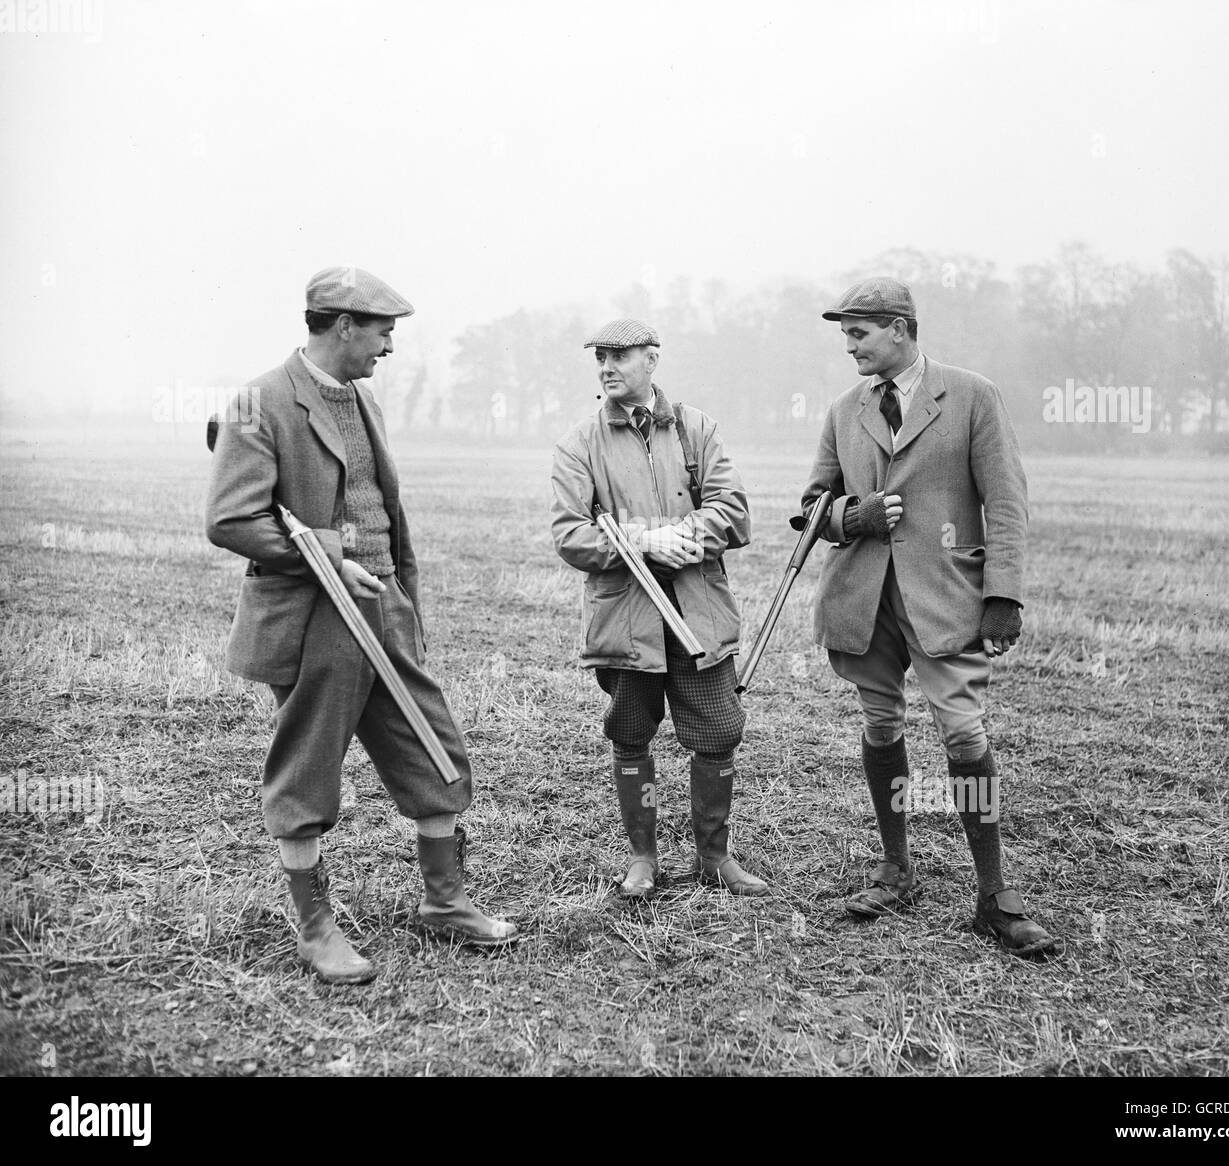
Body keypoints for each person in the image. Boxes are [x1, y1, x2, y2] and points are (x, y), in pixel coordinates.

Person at [206, 266, 517, 985]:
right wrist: (325, 555)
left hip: (386, 612)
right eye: (383, 332)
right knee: (307, 774)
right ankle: (315, 927)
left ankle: (445, 902)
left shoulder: (363, 400)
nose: (390, 348)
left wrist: (401, 598)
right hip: (317, 617)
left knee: (435, 750)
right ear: (344, 325)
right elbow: (230, 520)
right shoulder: (260, 403)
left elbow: (381, 506)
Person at [801, 277, 1056, 957]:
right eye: (845, 333)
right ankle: (896, 871)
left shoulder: (972, 395)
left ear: (899, 328)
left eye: (858, 331)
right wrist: (849, 516)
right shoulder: (842, 409)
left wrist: (1003, 594)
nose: (848, 344)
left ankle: (995, 899)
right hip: (865, 599)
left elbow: (1005, 500)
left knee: (965, 736)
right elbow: (811, 509)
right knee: (879, 724)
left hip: (946, 599)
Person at [550, 318, 768, 899]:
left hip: (699, 616)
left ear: (653, 360)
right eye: (600, 357)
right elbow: (570, 536)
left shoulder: (697, 428)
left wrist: (685, 533)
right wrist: (643, 542)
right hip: (626, 622)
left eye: (620, 356)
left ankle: (714, 857)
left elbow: (735, 511)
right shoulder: (579, 443)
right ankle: (642, 858)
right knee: (630, 733)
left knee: (718, 732)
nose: (607, 367)